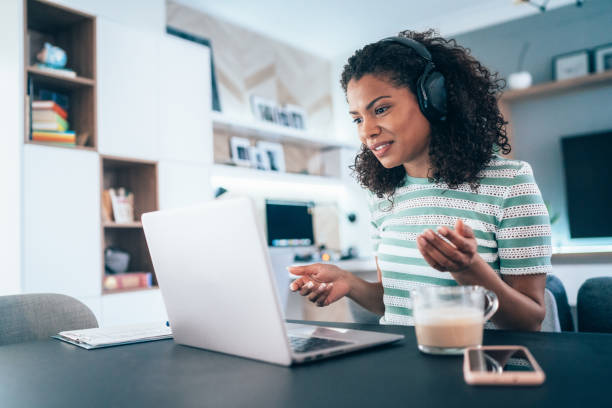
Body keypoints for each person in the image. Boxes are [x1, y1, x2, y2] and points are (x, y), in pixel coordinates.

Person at [288, 29, 552, 331]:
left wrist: (469, 270)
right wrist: (349, 283)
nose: (366, 131)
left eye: (381, 109)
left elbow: (530, 321)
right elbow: (398, 303)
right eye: (358, 118)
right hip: (404, 366)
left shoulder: (510, 184)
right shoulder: (383, 195)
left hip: (480, 366)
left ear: (434, 99)